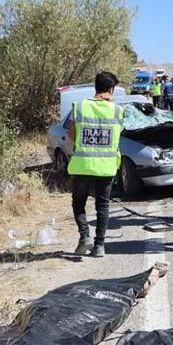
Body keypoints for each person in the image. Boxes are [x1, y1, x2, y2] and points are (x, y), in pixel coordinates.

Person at [66, 71, 124, 258]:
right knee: (103, 205)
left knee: (78, 202)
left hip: (83, 164)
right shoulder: (117, 111)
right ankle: (99, 246)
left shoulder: (80, 107)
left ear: (96, 87)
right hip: (106, 166)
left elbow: (72, 135)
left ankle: (85, 236)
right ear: (111, 89)